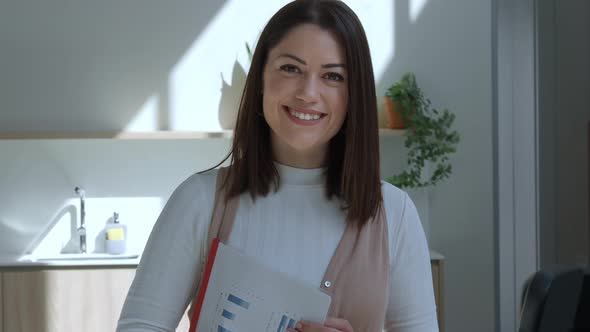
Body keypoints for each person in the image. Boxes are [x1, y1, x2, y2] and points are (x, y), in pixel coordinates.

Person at [117, 0, 438, 331]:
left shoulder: (393, 213)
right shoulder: (198, 201)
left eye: (332, 76)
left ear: (353, 94)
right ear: (260, 78)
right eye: (291, 68)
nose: (308, 93)